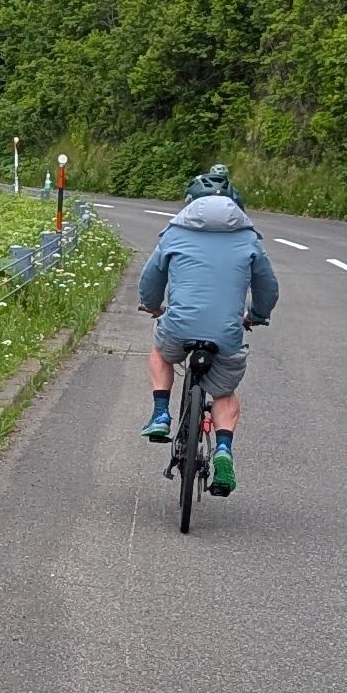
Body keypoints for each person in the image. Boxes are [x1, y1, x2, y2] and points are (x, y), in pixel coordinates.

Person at [135, 171, 279, 490]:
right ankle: (224, 451)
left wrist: (153, 306)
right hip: (226, 333)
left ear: (190, 203)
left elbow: (150, 281)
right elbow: (268, 288)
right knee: (224, 393)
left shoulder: (174, 233)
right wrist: (256, 316)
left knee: (161, 353)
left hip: (178, 325)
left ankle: (160, 414)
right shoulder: (248, 237)